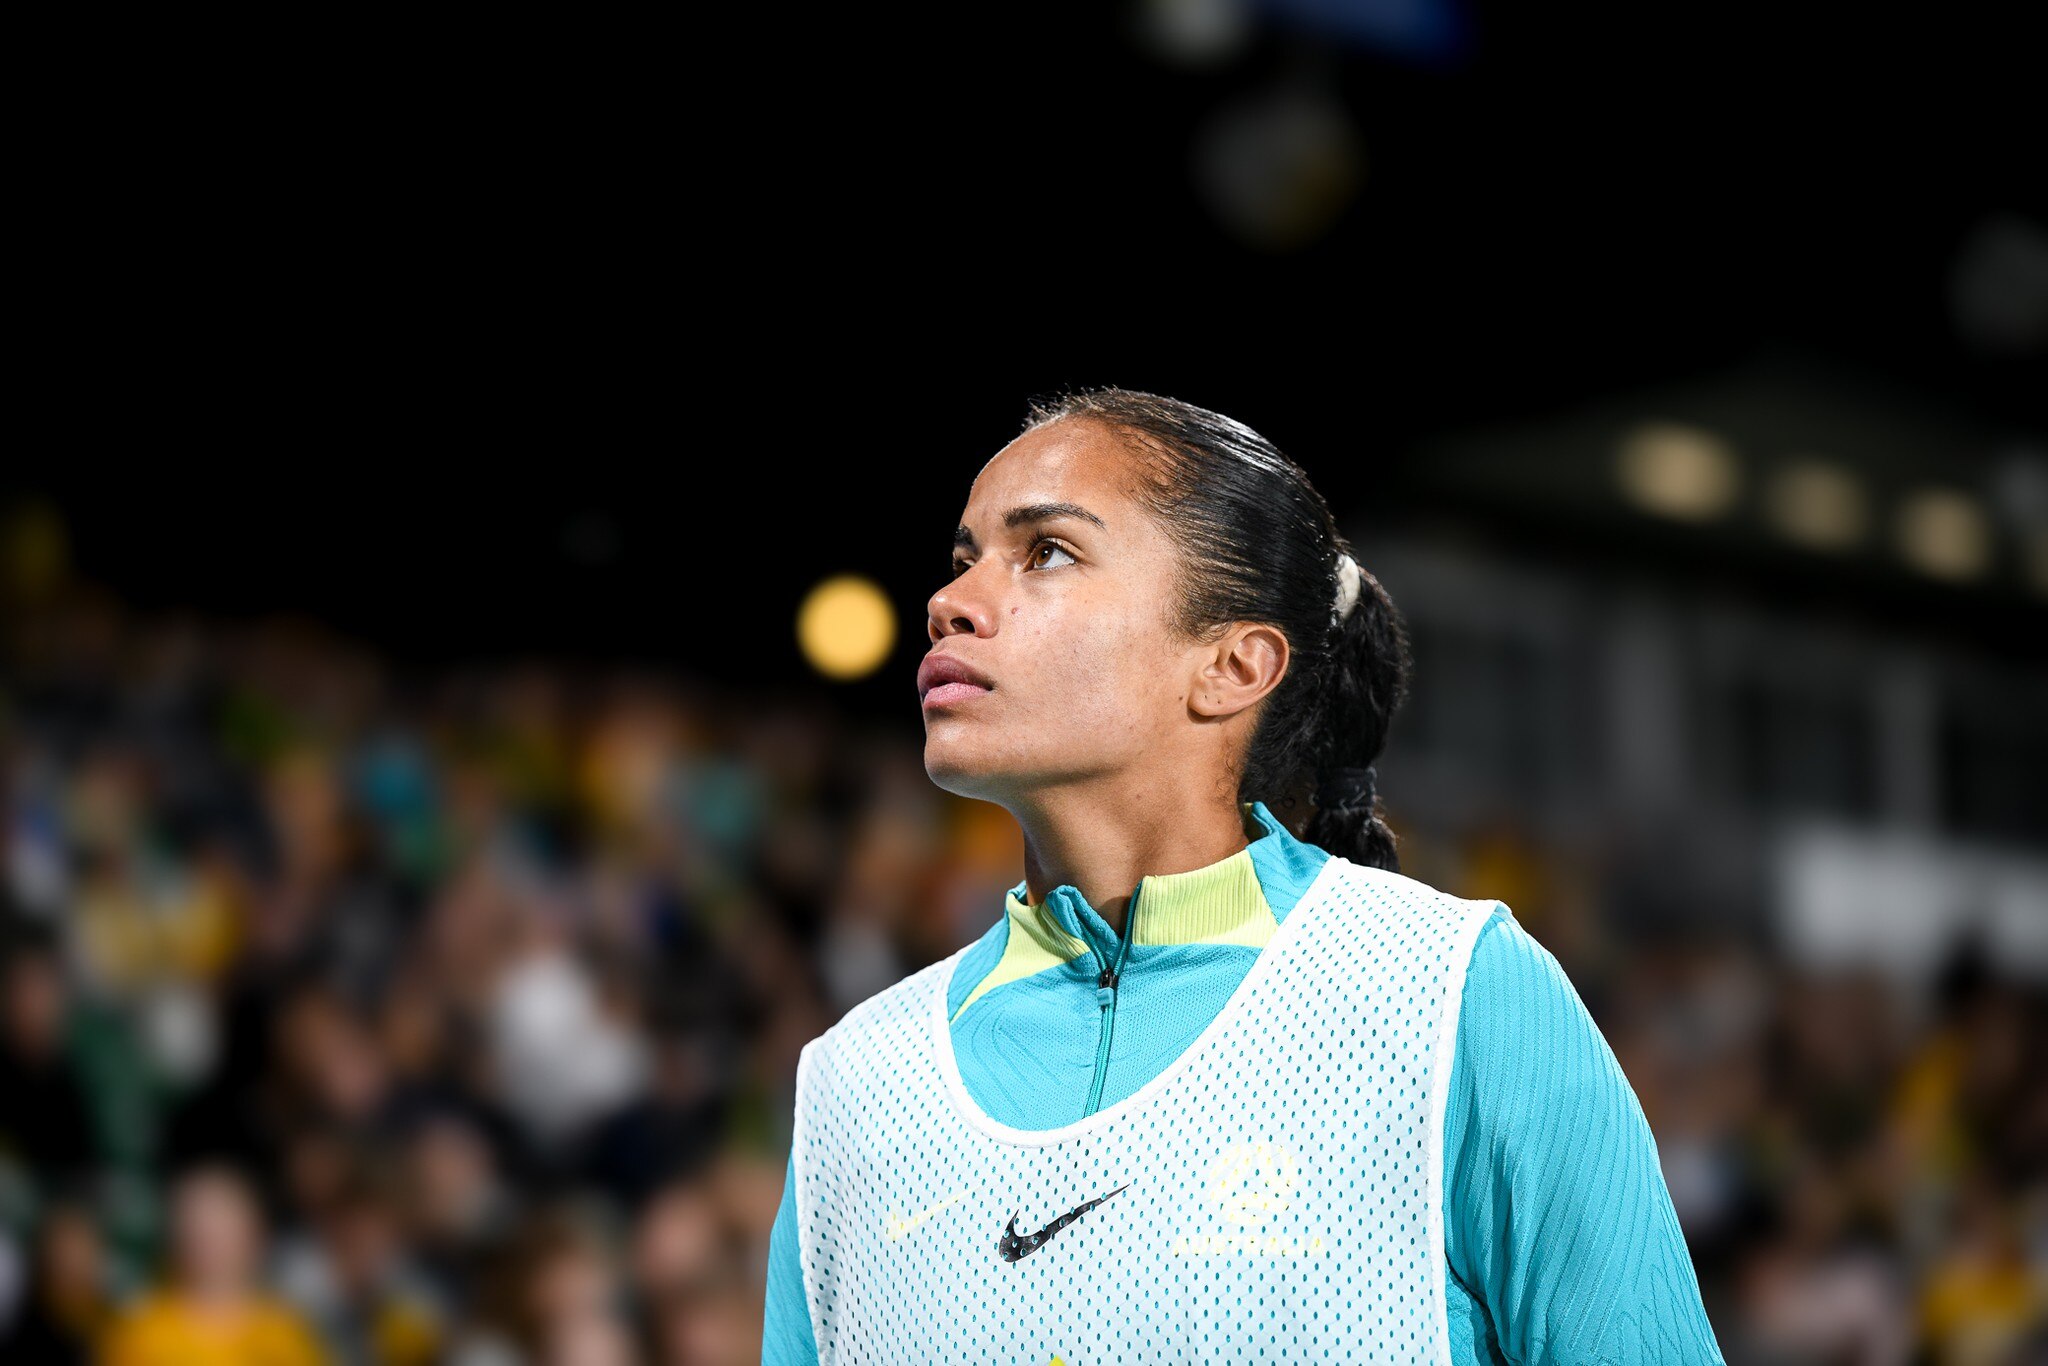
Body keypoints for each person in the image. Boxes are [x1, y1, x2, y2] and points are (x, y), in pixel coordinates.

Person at [760, 388, 1727, 1362]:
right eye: (963, 560)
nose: (949, 601)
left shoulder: (1456, 999)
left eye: (1044, 551)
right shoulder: (854, 1080)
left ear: (1231, 665)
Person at [99, 1164, 326, 1366]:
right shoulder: (139, 1332)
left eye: (220, 1225)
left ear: (254, 1233)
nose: (208, 1239)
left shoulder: (285, 1331)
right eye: (196, 1224)